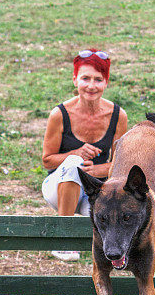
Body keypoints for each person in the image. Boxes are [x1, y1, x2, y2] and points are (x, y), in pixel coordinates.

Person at [41, 49, 128, 261]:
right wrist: (76, 154)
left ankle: (118, 254)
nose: (91, 85)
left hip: (94, 189)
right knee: (74, 163)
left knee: (117, 205)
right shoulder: (59, 114)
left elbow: (122, 163)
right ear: (75, 80)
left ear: (106, 82)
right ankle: (64, 240)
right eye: (85, 78)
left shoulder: (118, 116)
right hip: (59, 187)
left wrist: (99, 169)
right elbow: (47, 160)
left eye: (98, 79)